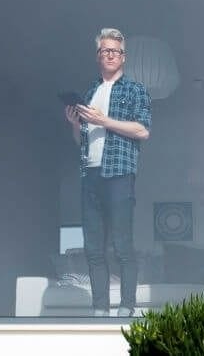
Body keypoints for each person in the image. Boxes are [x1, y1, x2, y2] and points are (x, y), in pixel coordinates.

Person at [64, 27, 152, 317]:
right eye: (105, 50)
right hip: (90, 173)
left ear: (123, 57)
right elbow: (82, 142)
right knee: (93, 247)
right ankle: (99, 309)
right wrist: (76, 124)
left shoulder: (136, 89)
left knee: (122, 244)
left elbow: (142, 130)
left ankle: (127, 307)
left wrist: (105, 120)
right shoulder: (90, 91)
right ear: (98, 56)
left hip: (119, 173)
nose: (110, 54)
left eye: (115, 51)